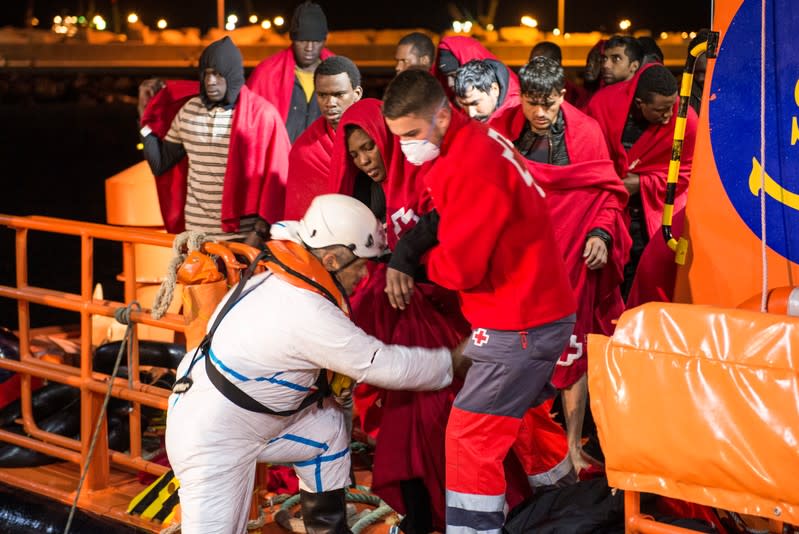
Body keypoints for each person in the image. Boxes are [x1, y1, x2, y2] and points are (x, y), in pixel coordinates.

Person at [165, 193, 460, 534]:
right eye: (361, 264)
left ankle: (328, 528)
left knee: (327, 430)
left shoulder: (276, 279)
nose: (364, 274)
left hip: (253, 421)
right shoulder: (305, 309)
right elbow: (379, 363)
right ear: (333, 258)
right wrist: (451, 362)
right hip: (211, 439)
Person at [382, 69, 576, 534]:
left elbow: (463, 268)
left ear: (442, 116)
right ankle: (569, 502)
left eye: (412, 134)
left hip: (518, 323)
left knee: (469, 436)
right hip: (537, 314)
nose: (407, 146)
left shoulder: (467, 165)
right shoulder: (481, 144)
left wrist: (423, 266)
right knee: (522, 418)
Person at [330, 98, 475, 533]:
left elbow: (446, 226)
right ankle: (423, 519)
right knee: (406, 429)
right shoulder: (377, 190)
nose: (363, 160)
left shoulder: (425, 175)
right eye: (354, 154)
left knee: (428, 424)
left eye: (368, 148)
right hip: (405, 319)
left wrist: (402, 261)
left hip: (437, 314)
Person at [490, 56, 631, 477]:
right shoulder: (502, 129)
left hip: (573, 256)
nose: (539, 113)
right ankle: (522, 444)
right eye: (532, 103)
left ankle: (571, 444)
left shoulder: (586, 133)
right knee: (514, 351)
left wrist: (601, 235)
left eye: (548, 103)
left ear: (562, 98)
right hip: (520, 261)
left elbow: (607, 192)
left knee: (574, 351)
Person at [138, 36, 289, 242]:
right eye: (206, 74)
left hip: (243, 239)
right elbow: (160, 164)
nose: (210, 81)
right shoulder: (188, 111)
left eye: (218, 74)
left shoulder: (263, 115)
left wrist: (259, 233)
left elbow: (279, 180)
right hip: (196, 238)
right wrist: (145, 119)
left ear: (233, 75)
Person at [588, 63, 697, 307]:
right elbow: (588, 154)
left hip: (654, 216)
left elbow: (688, 172)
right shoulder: (603, 106)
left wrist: (641, 183)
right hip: (608, 208)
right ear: (640, 103)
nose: (669, 115)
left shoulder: (685, 119)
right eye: (661, 110)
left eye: (672, 106)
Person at [284, 56, 363, 220]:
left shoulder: (379, 136)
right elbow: (300, 215)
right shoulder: (304, 151)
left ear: (357, 94)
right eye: (322, 95)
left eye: (338, 94)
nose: (330, 103)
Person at [247, 1, 334, 143]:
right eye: (302, 40)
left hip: (323, 162)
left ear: (325, 40)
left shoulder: (339, 74)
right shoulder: (266, 74)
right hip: (280, 161)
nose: (309, 48)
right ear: (292, 39)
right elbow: (248, 124)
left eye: (316, 41)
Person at [434, 36, 520, 106]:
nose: (449, 83)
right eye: (446, 76)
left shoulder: (513, 101)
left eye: (455, 76)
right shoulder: (453, 99)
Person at [452, 59, 519, 122]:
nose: (471, 113)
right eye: (464, 104)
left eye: (475, 103)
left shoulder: (517, 111)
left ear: (495, 89)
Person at [529, 41, 589, 108]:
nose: (535, 68)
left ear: (557, 63)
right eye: (531, 63)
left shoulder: (576, 95)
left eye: (541, 63)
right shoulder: (526, 92)